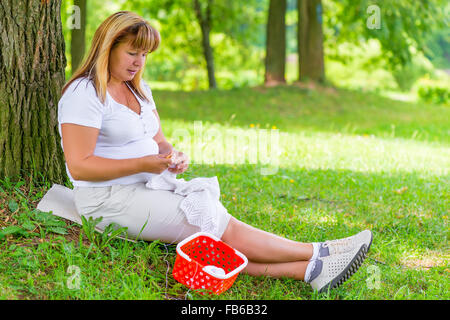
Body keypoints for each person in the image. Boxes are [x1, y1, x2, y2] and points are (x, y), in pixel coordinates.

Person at [58, 11, 373, 293]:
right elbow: (80, 167)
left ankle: (311, 268)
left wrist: (172, 156)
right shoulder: (84, 93)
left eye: (144, 55)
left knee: (213, 228)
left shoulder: (137, 89)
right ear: (107, 47)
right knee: (216, 224)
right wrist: (143, 163)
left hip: (147, 186)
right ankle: (320, 252)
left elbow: (160, 142)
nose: (138, 62)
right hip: (107, 199)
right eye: (131, 52)